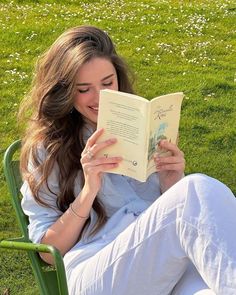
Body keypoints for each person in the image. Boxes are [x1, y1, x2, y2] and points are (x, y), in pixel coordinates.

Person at [19, 25, 236, 295]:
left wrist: (171, 181)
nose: (100, 97)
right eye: (84, 88)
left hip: (160, 263)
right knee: (197, 189)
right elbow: (48, 253)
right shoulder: (47, 150)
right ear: (64, 91)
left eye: (108, 83)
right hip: (97, 269)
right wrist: (89, 190)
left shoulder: (142, 127)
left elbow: (165, 224)